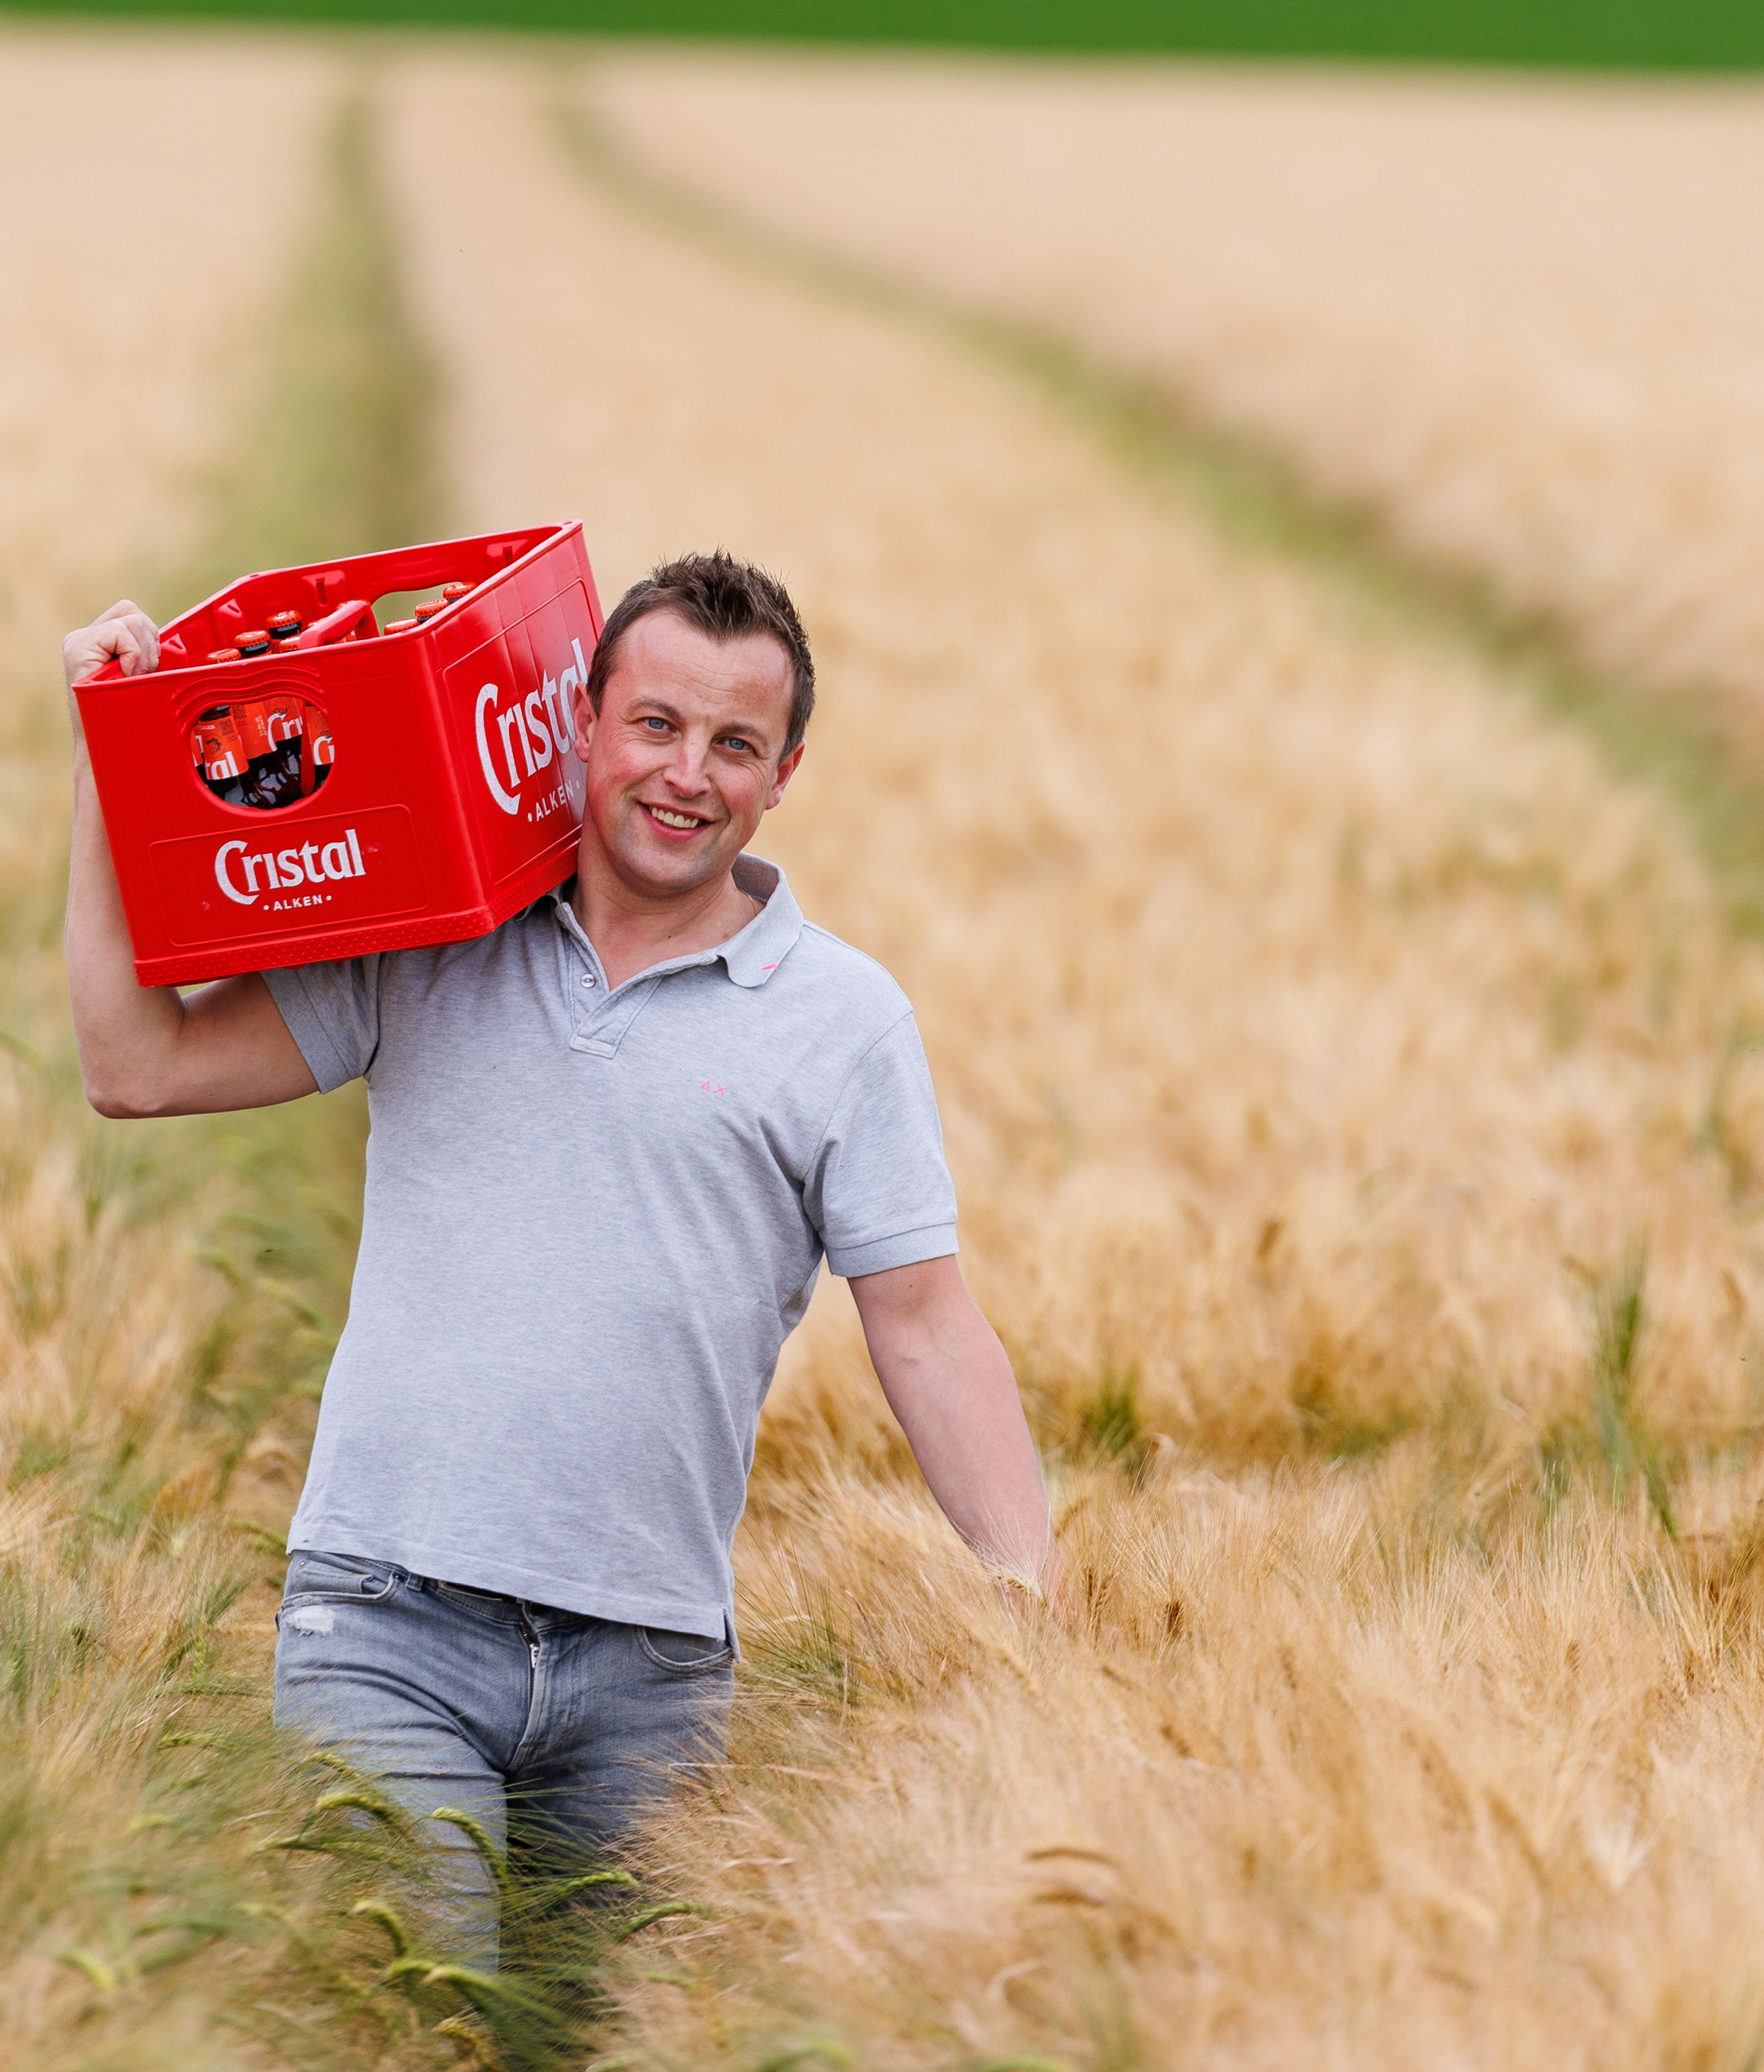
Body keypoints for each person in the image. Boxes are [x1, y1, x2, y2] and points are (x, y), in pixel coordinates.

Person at [60, 544, 1056, 1961]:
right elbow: (135, 1068)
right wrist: (109, 760)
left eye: (735, 744)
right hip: (388, 1629)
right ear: (578, 720)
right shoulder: (432, 938)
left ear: (786, 773)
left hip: (651, 1673)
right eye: (655, 724)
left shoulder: (845, 1023)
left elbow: (925, 1323)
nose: (686, 774)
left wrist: (1034, 1605)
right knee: (410, 2040)